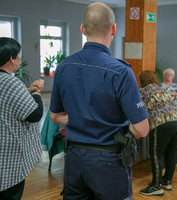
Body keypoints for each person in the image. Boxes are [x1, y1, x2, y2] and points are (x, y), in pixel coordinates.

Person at [49, 3, 149, 200]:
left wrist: (81, 120)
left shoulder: (63, 67)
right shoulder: (121, 71)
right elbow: (142, 129)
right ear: (113, 29)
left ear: (83, 29)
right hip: (109, 160)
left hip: (74, 159)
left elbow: (55, 116)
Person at [0, 37, 44, 199]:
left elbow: (4, 100)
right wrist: (36, 93)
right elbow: (35, 114)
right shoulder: (11, 82)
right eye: (18, 54)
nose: (20, 57)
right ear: (11, 59)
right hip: (8, 156)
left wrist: (27, 90)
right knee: (9, 193)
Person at [139, 71, 177, 196]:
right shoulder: (162, 88)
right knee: (170, 152)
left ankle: (156, 186)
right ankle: (166, 181)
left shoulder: (143, 91)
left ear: (142, 80)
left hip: (162, 123)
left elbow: (141, 109)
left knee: (156, 154)